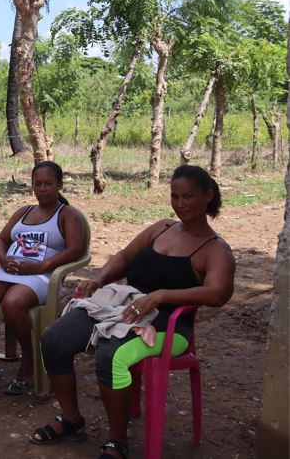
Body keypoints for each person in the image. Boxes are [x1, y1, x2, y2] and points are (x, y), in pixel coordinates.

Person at [30, 165, 235, 459]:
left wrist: (161, 296)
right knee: (54, 340)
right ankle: (71, 418)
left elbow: (218, 293)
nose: (180, 204)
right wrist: (100, 279)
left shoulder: (215, 250)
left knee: (111, 355)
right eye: (175, 196)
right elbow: (125, 256)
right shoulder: (161, 228)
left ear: (208, 196)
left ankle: (117, 441)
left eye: (188, 196)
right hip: (125, 307)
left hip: (169, 325)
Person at [0, 161, 86, 395]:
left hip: (42, 275)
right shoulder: (24, 212)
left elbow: (75, 250)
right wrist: (2, 259)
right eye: (37, 184)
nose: (42, 189)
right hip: (9, 271)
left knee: (13, 303)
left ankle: (29, 358)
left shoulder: (67, 214)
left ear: (59, 185)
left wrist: (42, 265)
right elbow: (1, 239)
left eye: (48, 183)